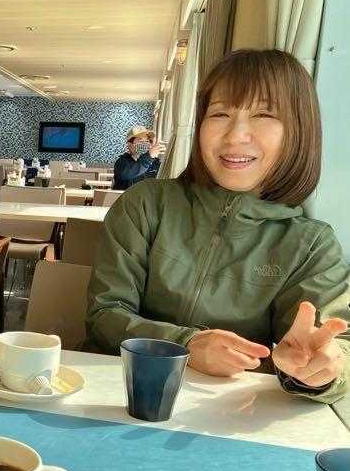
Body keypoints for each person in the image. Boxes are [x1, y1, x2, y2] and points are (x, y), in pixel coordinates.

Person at [86, 49, 348, 403]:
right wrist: (186, 344)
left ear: (299, 131)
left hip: (231, 412)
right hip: (112, 395)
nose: (235, 135)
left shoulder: (312, 245)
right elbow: (105, 314)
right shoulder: (146, 204)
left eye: (264, 114)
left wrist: (317, 370)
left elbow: (335, 352)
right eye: (220, 113)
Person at [113, 126, 165, 190]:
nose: (145, 144)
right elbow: (127, 174)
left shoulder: (154, 162)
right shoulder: (122, 162)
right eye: (140, 140)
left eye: (147, 141)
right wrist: (149, 156)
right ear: (130, 145)